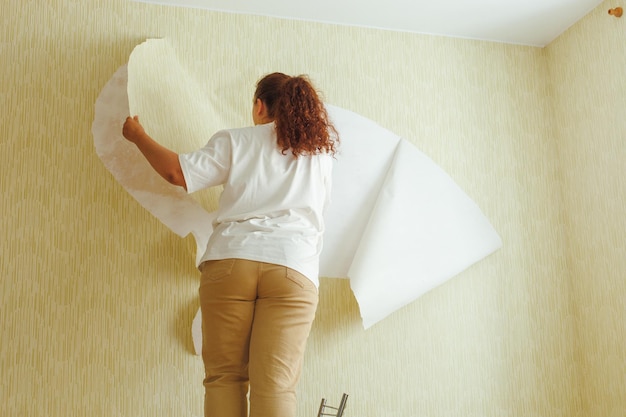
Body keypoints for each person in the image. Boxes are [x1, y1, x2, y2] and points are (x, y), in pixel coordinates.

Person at [122, 72, 338, 417]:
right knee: (276, 386)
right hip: (293, 268)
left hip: (231, 262)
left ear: (259, 106)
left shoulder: (237, 141)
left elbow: (178, 174)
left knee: (225, 378)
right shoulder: (320, 156)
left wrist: (138, 136)